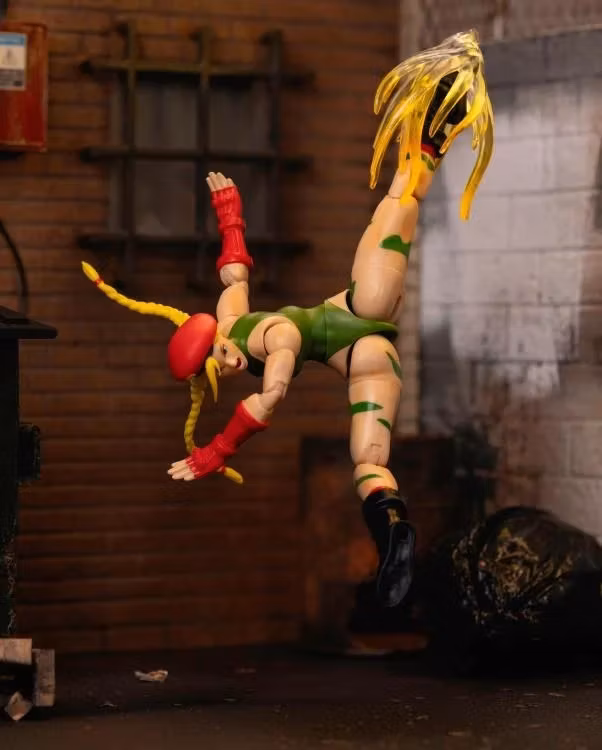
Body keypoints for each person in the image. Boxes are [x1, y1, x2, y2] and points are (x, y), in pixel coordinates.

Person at [82, 29, 494, 609]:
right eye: (215, 368)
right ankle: (393, 531)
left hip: (358, 315)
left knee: (395, 210)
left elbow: (270, 381)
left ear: (213, 339)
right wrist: (230, 215)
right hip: (365, 354)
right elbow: (236, 273)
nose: (226, 362)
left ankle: (435, 121)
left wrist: (219, 450)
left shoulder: (259, 335)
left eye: (216, 356)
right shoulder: (235, 324)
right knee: (370, 460)